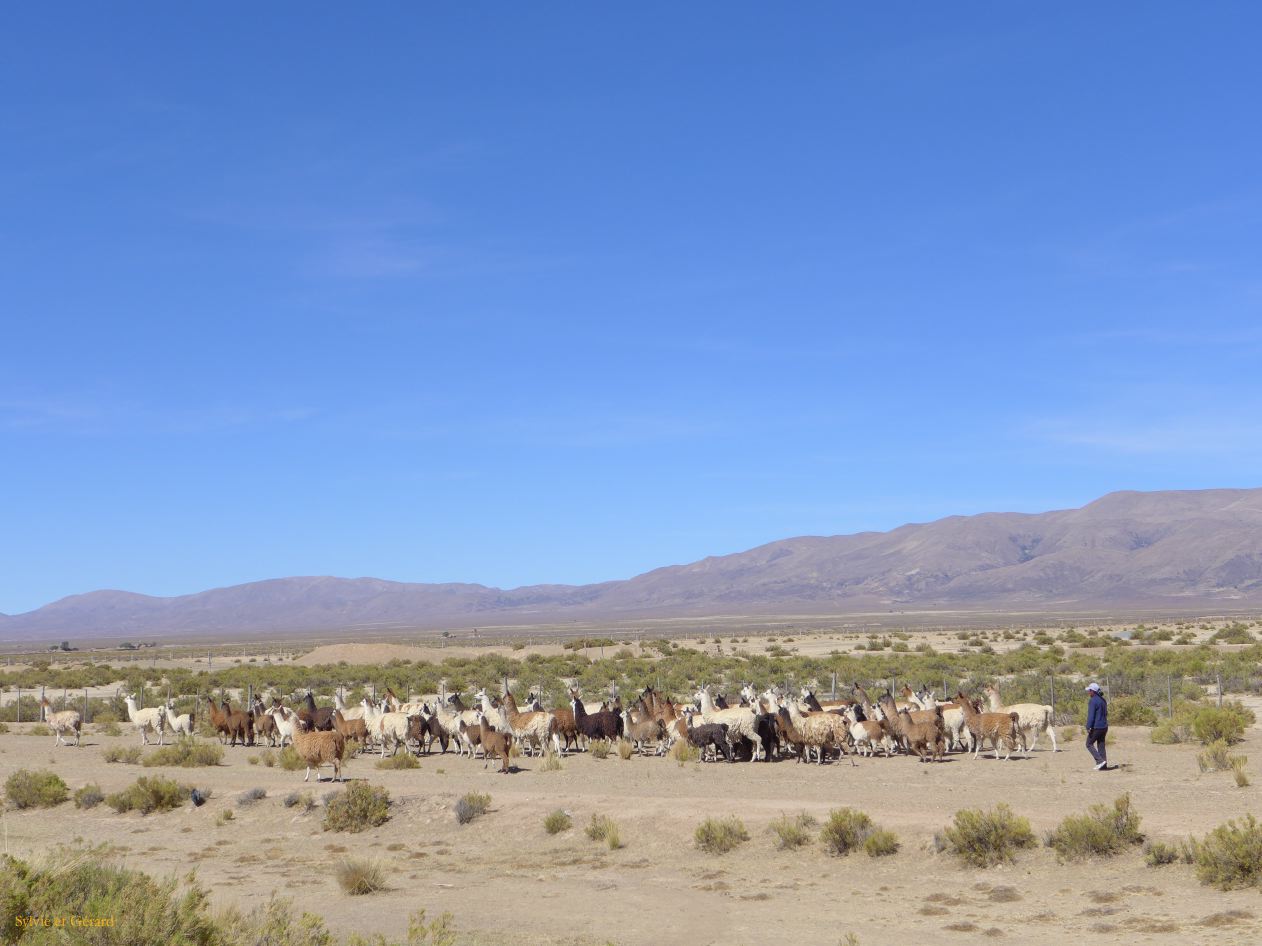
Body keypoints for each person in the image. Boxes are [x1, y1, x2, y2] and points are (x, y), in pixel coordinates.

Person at [1085, 682, 1110, 770]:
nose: (1088, 692)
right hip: (1104, 726)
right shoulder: (1103, 700)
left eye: (1089, 690)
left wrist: (1088, 726)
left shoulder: (1093, 701)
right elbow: (1106, 713)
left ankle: (1099, 761)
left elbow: (1091, 716)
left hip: (1097, 727)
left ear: (1093, 691)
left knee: (1088, 744)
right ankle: (1104, 766)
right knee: (1101, 745)